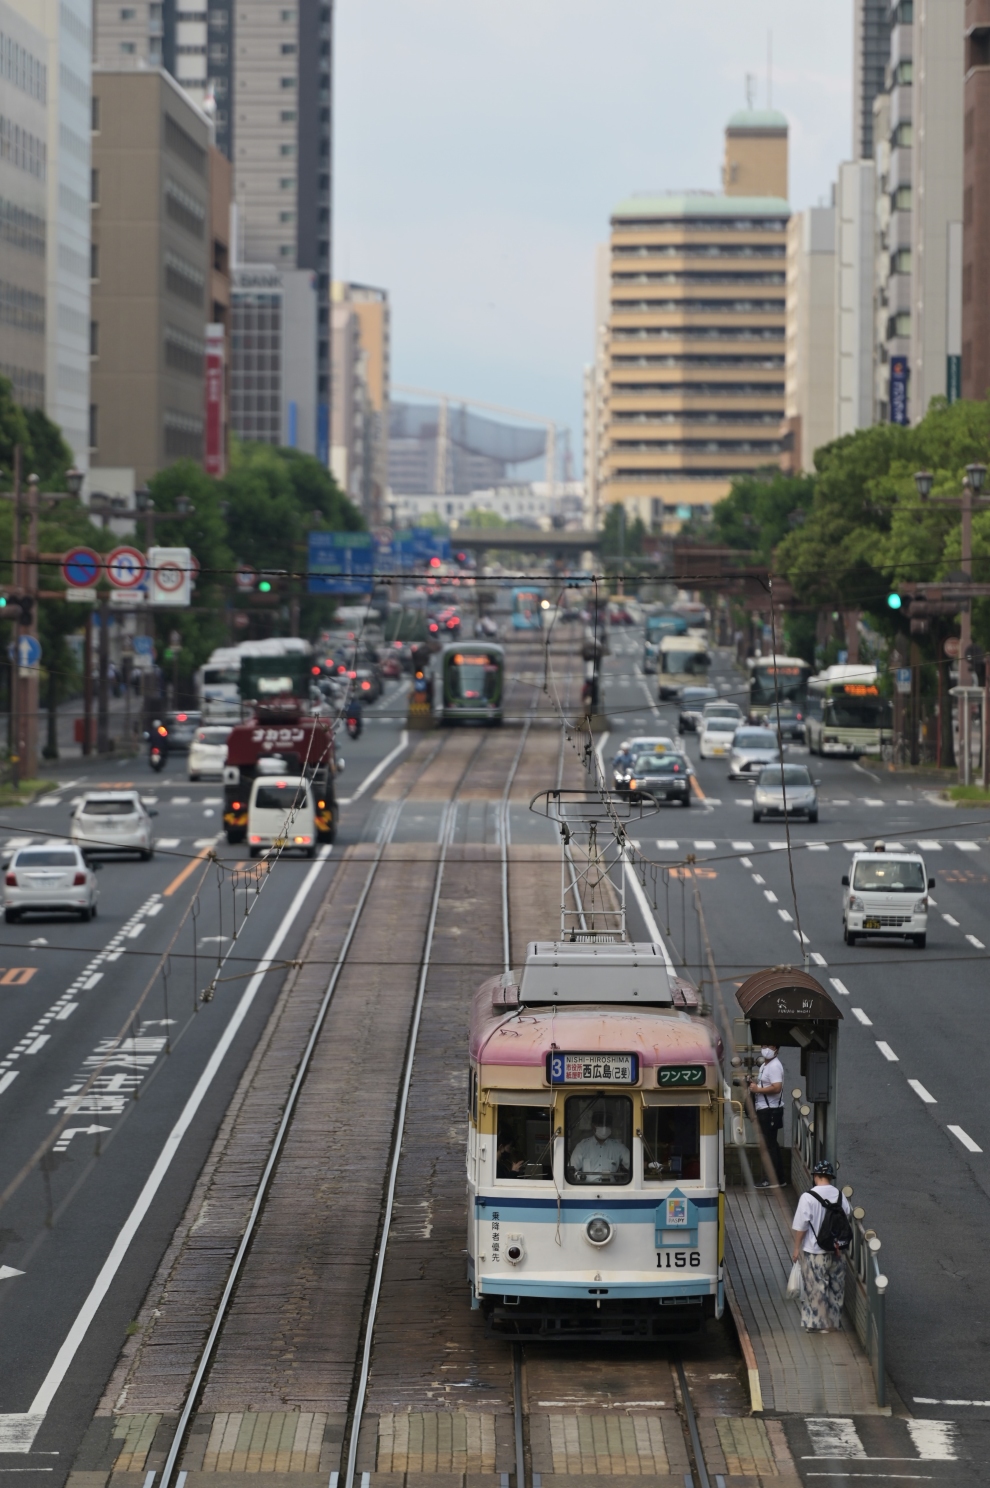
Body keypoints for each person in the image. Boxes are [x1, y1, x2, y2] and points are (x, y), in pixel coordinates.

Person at [791, 1159, 852, 1332]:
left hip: (815, 1251)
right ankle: (833, 1324)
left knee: (817, 1287)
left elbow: (801, 1227)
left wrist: (796, 1248)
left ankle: (818, 1325)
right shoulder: (840, 1196)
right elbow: (846, 1216)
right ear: (830, 1177)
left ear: (816, 1176)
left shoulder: (808, 1197)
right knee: (836, 1287)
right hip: (837, 1250)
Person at [749, 1041, 785, 1187]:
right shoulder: (765, 1065)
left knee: (769, 1146)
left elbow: (777, 1088)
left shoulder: (775, 1066)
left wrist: (757, 1090)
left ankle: (772, 1180)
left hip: (770, 1110)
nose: (765, 1050)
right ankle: (779, 1178)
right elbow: (765, 1084)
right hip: (765, 1109)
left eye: (769, 1047)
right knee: (772, 1145)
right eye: (763, 1046)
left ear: (776, 1048)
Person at [569, 1110, 630, 1181]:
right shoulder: (582, 1146)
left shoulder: (619, 1147)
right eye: (600, 1125)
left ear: (611, 1127)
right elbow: (571, 1170)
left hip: (612, 1188)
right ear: (593, 1126)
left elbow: (634, 1166)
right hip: (587, 1188)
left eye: (607, 1125)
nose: (604, 1128)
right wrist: (580, 1177)